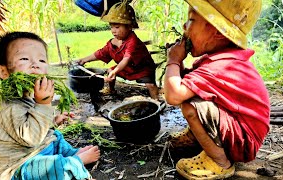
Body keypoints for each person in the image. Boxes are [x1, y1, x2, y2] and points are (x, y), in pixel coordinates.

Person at [164, 0, 270, 179]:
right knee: (194, 97)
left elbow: (174, 95)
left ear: (218, 32)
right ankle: (201, 139)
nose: (184, 26)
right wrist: (178, 63)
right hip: (240, 129)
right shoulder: (222, 60)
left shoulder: (222, 66)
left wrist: (173, 61)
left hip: (245, 141)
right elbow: (185, 84)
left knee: (190, 107)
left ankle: (220, 162)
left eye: (191, 20)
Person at [0, 31, 100, 180]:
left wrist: (52, 121)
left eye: (42, 61)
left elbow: (31, 122)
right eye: (24, 59)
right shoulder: (9, 106)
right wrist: (43, 104)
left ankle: (70, 154)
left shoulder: (25, 94)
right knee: (46, 167)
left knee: (55, 136)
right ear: (3, 71)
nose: (35, 65)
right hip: (15, 168)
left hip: (32, 151)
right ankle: (75, 162)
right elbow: (31, 138)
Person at [76, 0, 159, 100]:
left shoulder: (133, 41)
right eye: (111, 27)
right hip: (126, 69)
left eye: (117, 27)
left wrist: (115, 71)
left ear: (129, 27)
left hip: (142, 69)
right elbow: (101, 53)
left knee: (150, 85)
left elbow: (125, 59)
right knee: (110, 70)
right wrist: (84, 59)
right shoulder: (113, 42)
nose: (113, 31)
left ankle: (156, 100)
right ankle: (111, 90)